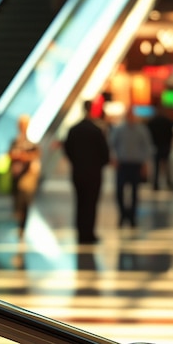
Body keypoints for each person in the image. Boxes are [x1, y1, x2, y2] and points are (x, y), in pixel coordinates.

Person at [63, 100, 110, 244]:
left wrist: (76, 162)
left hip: (78, 172)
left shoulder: (74, 129)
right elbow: (105, 154)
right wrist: (98, 164)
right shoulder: (96, 131)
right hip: (93, 173)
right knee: (91, 204)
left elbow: (67, 149)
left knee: (80, 202)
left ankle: (80, 232)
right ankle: (88, 233)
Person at [109, 106, 154, 228]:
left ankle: (132, 216)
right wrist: (114, 159)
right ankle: (123, 214)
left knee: (134, 192)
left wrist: (145, 163)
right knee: (119, 191)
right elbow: (112, 144)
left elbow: (147, 147)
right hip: (123, 164)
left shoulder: (141, 130)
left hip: (135, 164)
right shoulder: (119, 129)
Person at [9, 114, 41, 239]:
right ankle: (19, 218)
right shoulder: (15, 141)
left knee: (25, 196)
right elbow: (10, 154)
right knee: (17, 197)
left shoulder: (31, 142)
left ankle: (23, 225)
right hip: (16, 174)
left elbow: (36, 155)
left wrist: (25, 157)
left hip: (27, 175)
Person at [146, 104, 173, 190]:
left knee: (156, 166)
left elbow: (148, 134)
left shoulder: (152, 122)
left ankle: (155, 184)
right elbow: (171, 134)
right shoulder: (167, 121)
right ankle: (168, 182)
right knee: (166, 166)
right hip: (165, 146)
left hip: (156, 146)